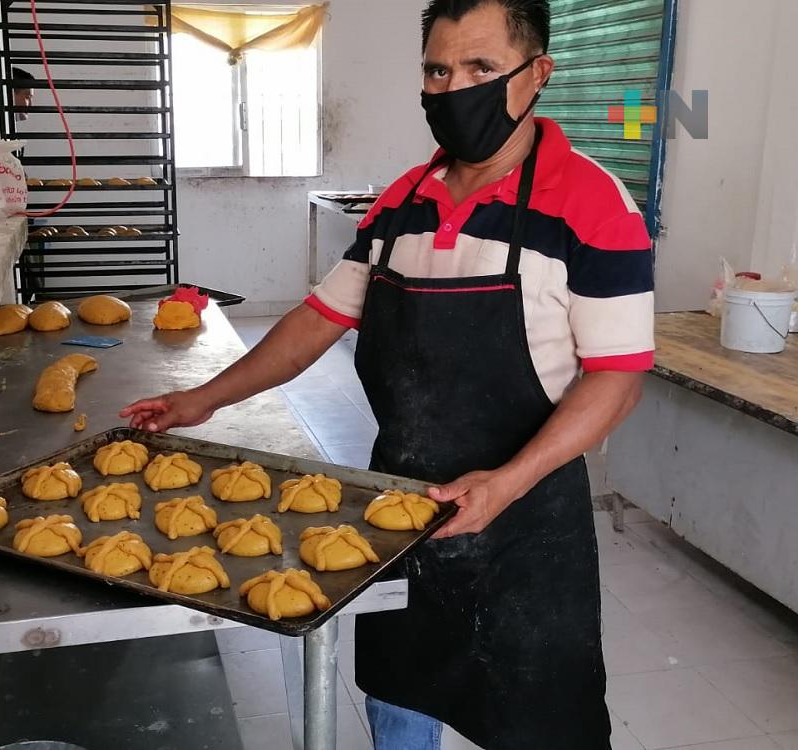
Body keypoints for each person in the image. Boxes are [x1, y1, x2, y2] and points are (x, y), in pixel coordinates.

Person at [122, 0, 655, 747]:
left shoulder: (594, 205)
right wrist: (200, 401)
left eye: (480, 68)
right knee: (401, 696)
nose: (452, 87)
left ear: (537, 75)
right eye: (438, 70)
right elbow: (318, 319)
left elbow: (618, 378)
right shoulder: (403, 202)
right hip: (395, 505)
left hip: (526, 521)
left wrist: (505, 482)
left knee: (540, 718)